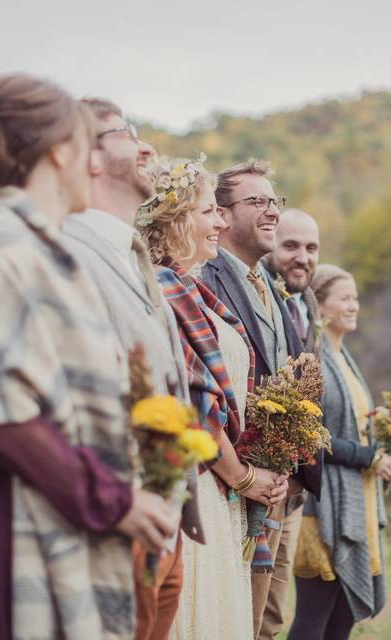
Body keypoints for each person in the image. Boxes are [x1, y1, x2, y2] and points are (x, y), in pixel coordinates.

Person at [0, 74, 177, 640]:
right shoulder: (6, 247)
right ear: (60, 153)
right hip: (5, 532)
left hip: (47, 516)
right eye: (88, 147)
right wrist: (115, 500)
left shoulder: (37, 246)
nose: (95, 166)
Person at [59, 98, 204, 640]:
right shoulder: (65, 254)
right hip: (112, 529)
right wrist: (121, 502)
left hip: (165, 522)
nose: (148, 148)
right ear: (88, 158)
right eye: (127, 134)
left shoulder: (131, 253)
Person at [137, 156, 288, 640]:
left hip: (219, 493)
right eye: (209, 211)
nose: (221, 220)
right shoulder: (161, 291)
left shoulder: (194, 290)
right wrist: (244, 477)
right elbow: (196, 409)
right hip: (200, 483)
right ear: (176, 219)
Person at [200, 159, 322, 639]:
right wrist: (245, 473)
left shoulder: (268, 286)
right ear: (222, 215)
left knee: (257, 622)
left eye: (275, 201)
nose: (272, 211)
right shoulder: (206, 279)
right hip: (226, 481)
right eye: (257, 202)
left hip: (272, 483)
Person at [288, 265, 391, 640]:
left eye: (356, 298)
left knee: (341, 617)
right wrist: (367, 457)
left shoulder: (344, 359)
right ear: (319, 307)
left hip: (354, 498)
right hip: (322, 507)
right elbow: (312, 435)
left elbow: (356, 423)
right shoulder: (312, 360)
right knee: (314, 614)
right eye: (345, 298)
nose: (355, 306)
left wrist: (387, 448)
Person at [260, 207, 322, 635]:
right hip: (261, 477)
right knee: (255, 609)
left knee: (276, 612)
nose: (303, 257)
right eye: (291, 246)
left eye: (312, 247)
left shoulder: (309, 303)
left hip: (296, 485)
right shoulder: (261, 295)